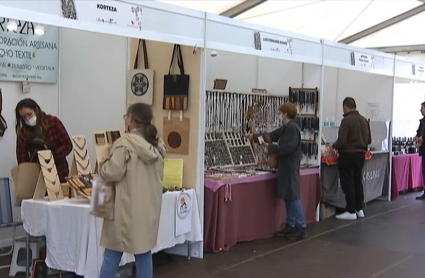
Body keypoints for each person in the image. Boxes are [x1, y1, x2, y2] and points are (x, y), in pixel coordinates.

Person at [99, 103, 166, 278]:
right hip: (148, 208)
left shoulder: (124, 144)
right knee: (143, 253)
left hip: (125, 208)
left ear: (130, 119)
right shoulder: (157, 144)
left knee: (112, 253)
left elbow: (112, 172)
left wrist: (102, 164)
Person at [246, 102, 308, 240]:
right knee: (288, 196)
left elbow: (287, 149)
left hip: (290, 167)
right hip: (285, 167)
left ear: (285, 114)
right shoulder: (286, 128)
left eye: (280, 113)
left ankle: (301, 227)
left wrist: (271, 148)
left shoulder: (292, 129)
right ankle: (291, 225)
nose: (280, 115)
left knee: (293, 197)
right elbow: (271, 135)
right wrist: (255, 137)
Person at [15, 98, 72, 183]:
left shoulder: (53, 122)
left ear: (36, 110)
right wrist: (26, 173)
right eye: (23, 117)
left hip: (59, 171)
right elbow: (22, 158)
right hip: (37, 174)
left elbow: (67, 145)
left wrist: (51, 156)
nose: (27, 119)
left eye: (29, 114)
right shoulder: (23, 132)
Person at [333, 97, 371, 220]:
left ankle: (350, 210)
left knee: (348, 183)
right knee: (357, 181)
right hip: (360, 155)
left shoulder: (347, 121)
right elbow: (369, 140)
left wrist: (334, 146)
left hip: (348, 155)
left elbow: (342, 141)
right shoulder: (364, 121)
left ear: (345, 107)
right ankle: (359, 209)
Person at [414, 102, 425, 200]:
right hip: (423, 150)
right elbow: (418, 132)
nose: (421, 110)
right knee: (424, 171)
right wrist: (416, 138)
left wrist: (422, 138)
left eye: (422, 108)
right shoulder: (422, 121)